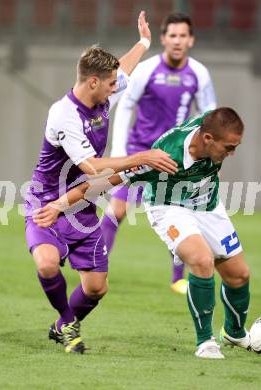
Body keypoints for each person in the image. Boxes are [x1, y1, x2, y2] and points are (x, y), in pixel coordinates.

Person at [34, 107, 251, 360]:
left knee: (239, 275)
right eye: (228, 147)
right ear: (207, 139)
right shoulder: (166, 155)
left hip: (208, 204)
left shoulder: (210, 130)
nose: (232, 153)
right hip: (169, 208)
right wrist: (59, 205)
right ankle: (205, 342)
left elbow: (215, 119)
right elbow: (104, 182)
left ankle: (235, 333)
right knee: (201, 260)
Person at [25, 11, 178, 354]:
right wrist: (140, 157)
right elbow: (92, 166)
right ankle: (68, 326)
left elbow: (122, 70)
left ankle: (60, 325)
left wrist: (143, 43)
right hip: (47, 198)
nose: (117, 87)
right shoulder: (63, 114)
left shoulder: (101, 92)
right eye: (111, 83)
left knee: (96, 288)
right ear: (93, 82)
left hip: (82, 202)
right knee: (48, 263)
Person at [100, 12, 217, 295]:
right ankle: (97, 267)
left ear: (191, 40)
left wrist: (205, 152)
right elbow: (126, 105)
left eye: (182, 36)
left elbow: (209, 114)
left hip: (174, 158)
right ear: (164, 39)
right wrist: (119, 150)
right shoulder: (147, 69)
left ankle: (178, 277)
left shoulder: (199, 74)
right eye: (172, 35)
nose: (177, 41)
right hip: (140, 154)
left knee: (179, 212)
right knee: (117, 210)